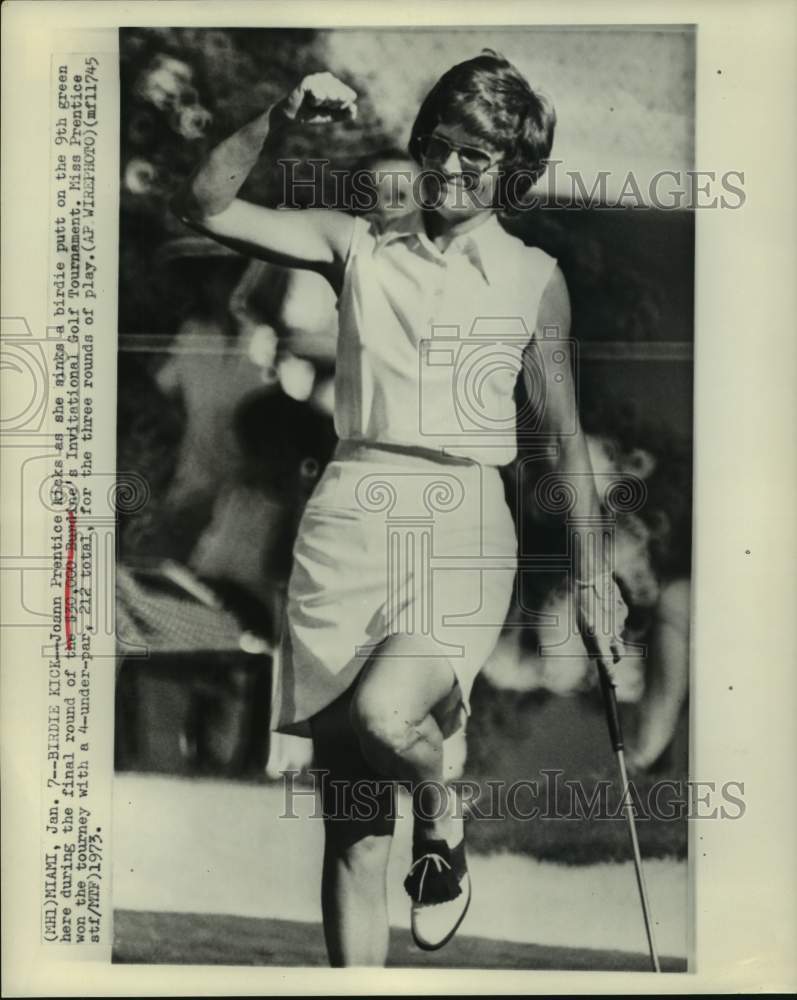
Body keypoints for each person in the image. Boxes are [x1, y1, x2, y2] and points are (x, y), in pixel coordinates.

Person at [174, 51, 628, 967]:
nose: (451, 170)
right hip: (345, 521)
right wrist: (276, 114)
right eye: (440, 148)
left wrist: (592, 577)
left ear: (514, 168)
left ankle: (443, 806)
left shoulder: (534, 277)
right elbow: (209, 205)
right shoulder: (359, 245)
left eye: (477, 156)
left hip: (461, 522)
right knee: (351, 832)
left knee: (389, 717)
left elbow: (564, 439)